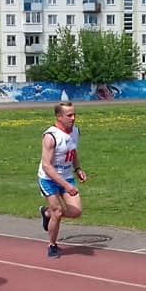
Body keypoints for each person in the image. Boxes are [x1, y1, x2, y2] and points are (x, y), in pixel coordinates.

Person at [38, 101, 87, 258]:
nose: (73, 118)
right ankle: (52, 245)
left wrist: (77, 168)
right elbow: (46, 166)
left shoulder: (75, 131)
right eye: (69, 115)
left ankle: (46, 213)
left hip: (66, 175)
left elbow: (73, 152)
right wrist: (65, 185)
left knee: (76, 212)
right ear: (59, 117)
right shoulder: (50, 137)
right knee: (58, 212)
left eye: (74, 114)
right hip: (48, 178)